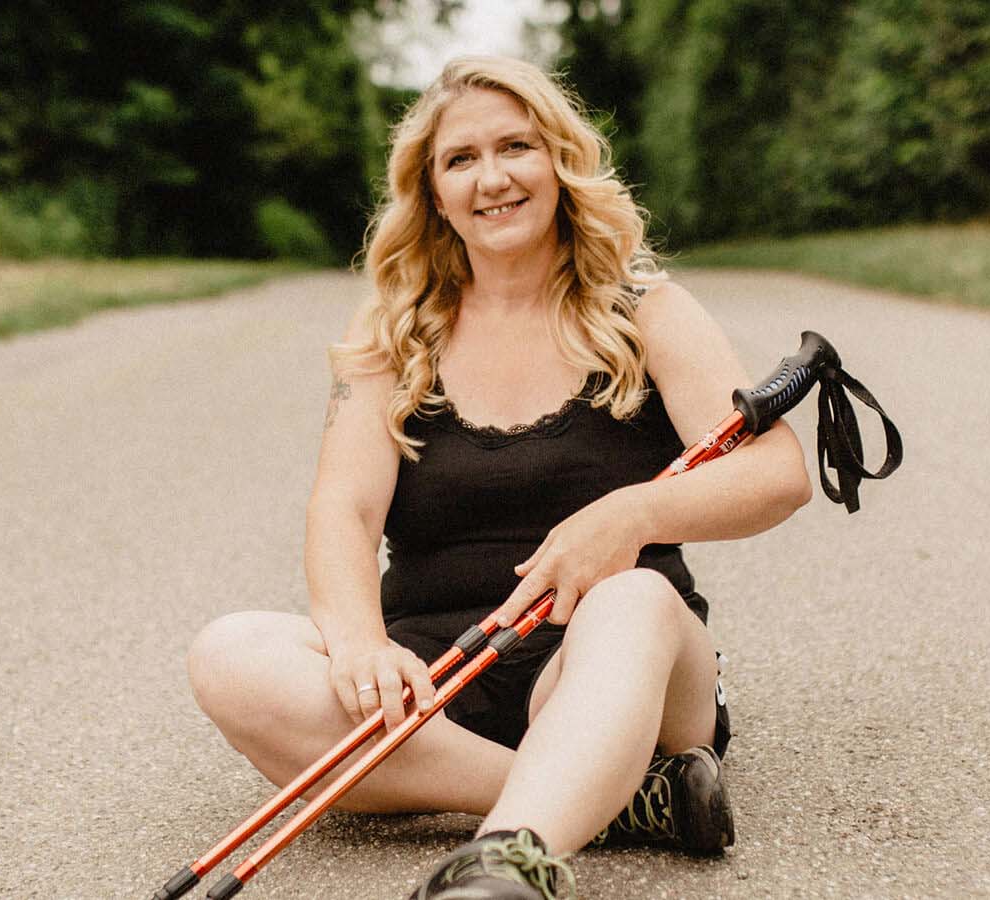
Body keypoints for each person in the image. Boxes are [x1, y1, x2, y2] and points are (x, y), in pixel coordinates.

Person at [187, 54, 811, 900]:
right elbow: (344, 510)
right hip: (435, 682)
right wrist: (362, 643)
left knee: (633, 598)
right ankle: (617, 799)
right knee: (229, 654)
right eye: (461, 159)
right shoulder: (394, 332)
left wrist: (631, 515)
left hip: (617, 668)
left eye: (516, 146)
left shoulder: (645, 309)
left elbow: (779, 474)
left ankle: (506, 860)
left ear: (559, 159)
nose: (492, 178)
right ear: (434, 193)